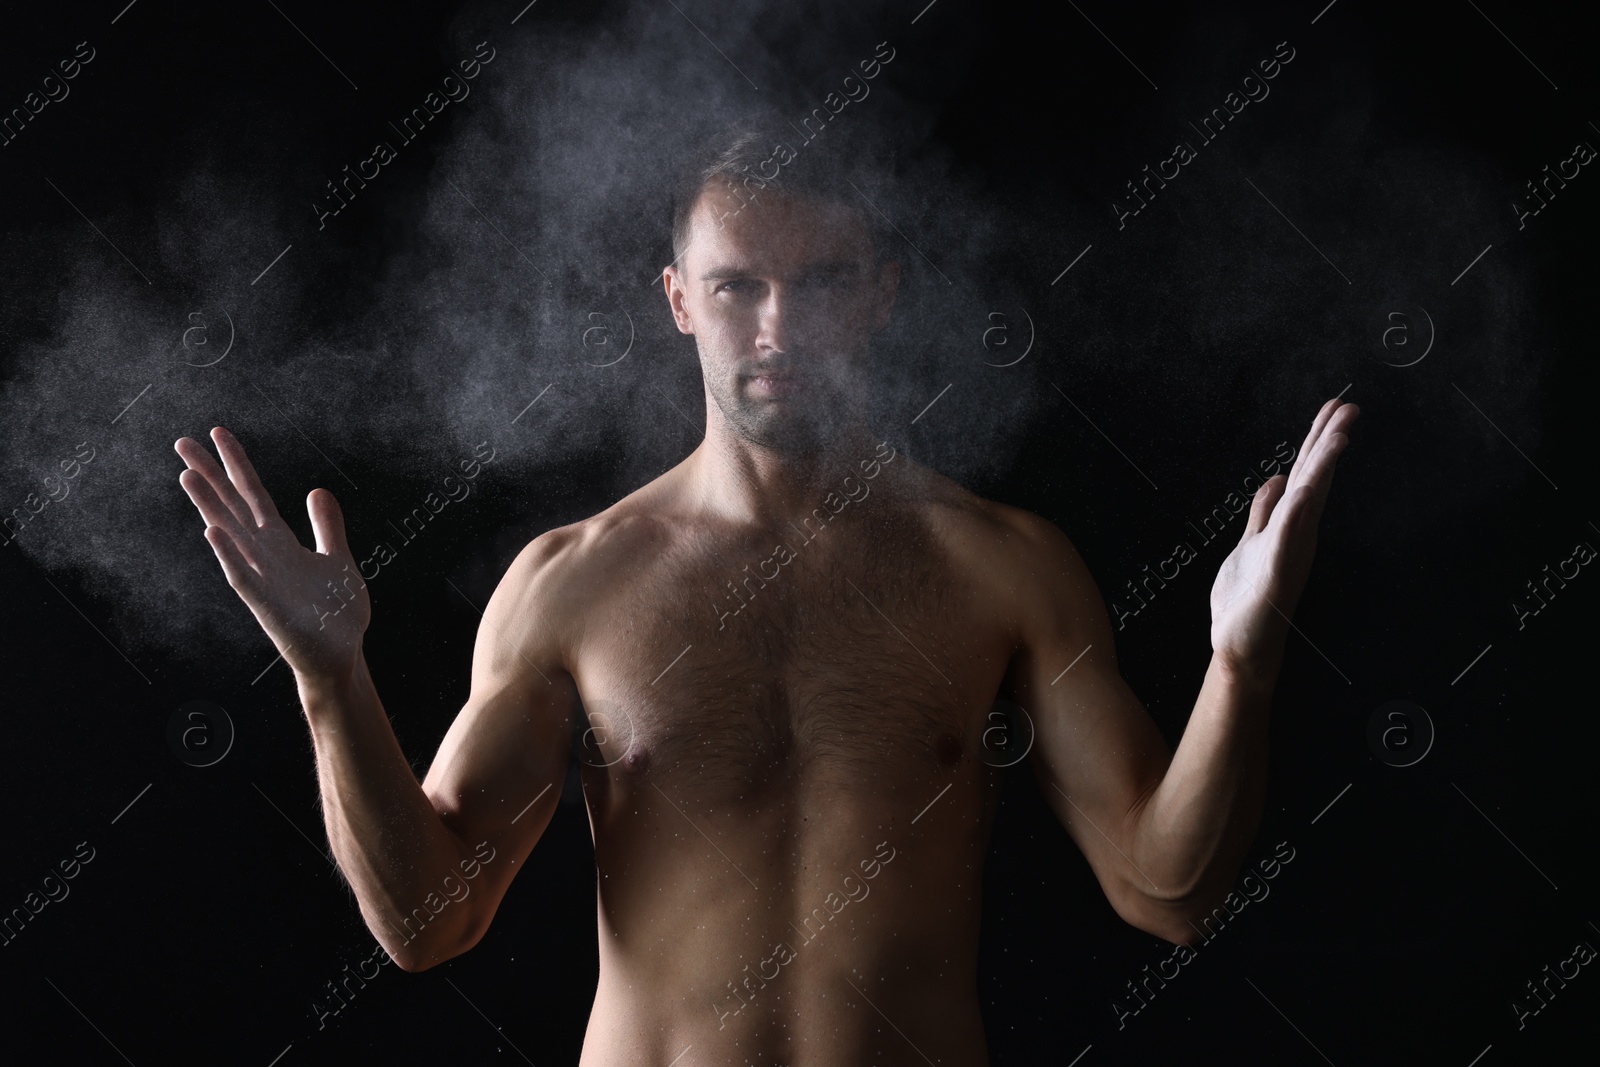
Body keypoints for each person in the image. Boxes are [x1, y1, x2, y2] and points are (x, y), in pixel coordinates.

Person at [173, 128, 1357, 1065]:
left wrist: (1239, 666)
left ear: (882, 292)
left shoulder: (998, 564)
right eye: (737, 286)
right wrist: (330, 680)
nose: (779, 326)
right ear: (679, 298)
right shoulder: (574, 579)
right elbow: (428, 922)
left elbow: (1168, 890)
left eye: (821, 280)